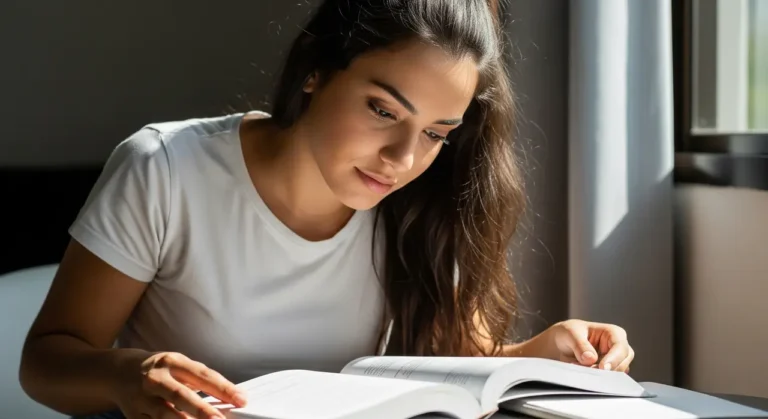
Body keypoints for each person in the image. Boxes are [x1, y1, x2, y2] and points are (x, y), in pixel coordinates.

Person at [19, 0, 635, 418]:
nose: (400, 157)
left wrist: (551, 351)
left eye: (435, 133)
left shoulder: (423, 204)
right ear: (315, 70)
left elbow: (467, 362)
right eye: (383, 110)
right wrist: (128, 376)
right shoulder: (166, 167)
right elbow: (46, 360)